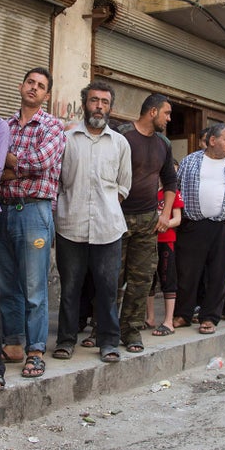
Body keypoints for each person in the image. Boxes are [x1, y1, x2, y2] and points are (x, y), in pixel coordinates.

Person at [52, 82, 131, 363]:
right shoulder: (67, 139)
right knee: (70, 288)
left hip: (108, 229)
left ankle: (108, 342)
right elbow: (58, 183)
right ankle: (65, 340)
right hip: (70, 226)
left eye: (105, 102)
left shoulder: (120, 143)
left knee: (107, 289)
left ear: (110, 107)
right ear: (85, 103)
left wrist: (104, 210)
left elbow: (123, 188)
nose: (99, 106)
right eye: (94, 100)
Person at [0, 68, 66, 379]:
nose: (34, 88)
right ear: (21, 85)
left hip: (34, 213)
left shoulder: (53, 126)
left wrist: (11, 162)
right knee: (5, 283)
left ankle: (35, 351)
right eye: (30, 83)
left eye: (41, 86)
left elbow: (41, 162)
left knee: (34, 287)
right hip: (4, 208)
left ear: (46, 95)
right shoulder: (3, 125)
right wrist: (15, 166)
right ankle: (12, 344)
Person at [172, 123, 225, 335]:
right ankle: (183, 314)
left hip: (224, 227)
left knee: (219, 274)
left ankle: (209, 317)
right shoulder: (190, 161)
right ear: (213, 141)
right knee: (187, 272)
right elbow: (175, 190)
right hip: (193, 225)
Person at [118, 94, 176, 353]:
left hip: (147, 221)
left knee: (141, 280)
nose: (169, 118)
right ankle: (103, 330)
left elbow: (171, 182)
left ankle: (131, 331)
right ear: (152, 112)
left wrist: (166, 215)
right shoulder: (122, 135)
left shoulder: (163, 143)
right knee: (111, 278)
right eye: (167, 113)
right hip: (116, 219)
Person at [146, 168, 183, 336]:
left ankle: (169, 320)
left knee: (168, 279)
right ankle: (150, 318)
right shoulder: (147, 191)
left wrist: (164, 223)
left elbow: (178, 218)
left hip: (166, 241)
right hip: (147, 241)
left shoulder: (171, 193)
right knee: (148, 279)